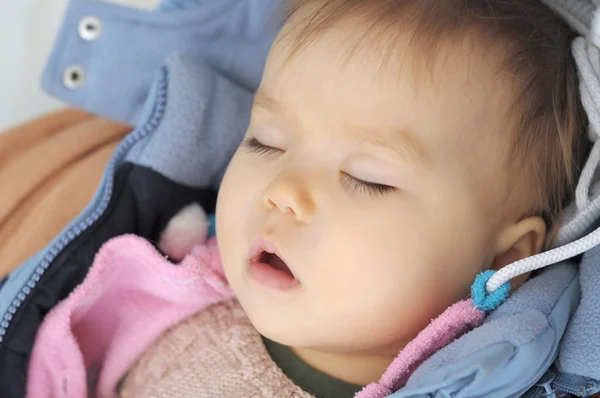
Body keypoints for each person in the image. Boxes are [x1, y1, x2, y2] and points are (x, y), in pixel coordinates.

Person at [22, 0, 600, 397]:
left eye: (369, 178)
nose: (283, 193)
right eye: (265, 142)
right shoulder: (152, 281)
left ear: (504, 260)